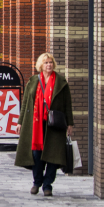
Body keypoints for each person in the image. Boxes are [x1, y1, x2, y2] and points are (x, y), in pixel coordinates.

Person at [14, 53, 73, 197]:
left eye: (51, 62)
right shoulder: (33, 81)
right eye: (46, 62)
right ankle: (37, 182)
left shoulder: (61, 81)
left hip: (54, 125)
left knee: (53, 155)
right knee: (36, 154)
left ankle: (47, 185)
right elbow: (26, 103)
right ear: (41, 65)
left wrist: (70, 123)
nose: (49, 65)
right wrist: (20, 122)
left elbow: (67, 105)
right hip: (35, 124)